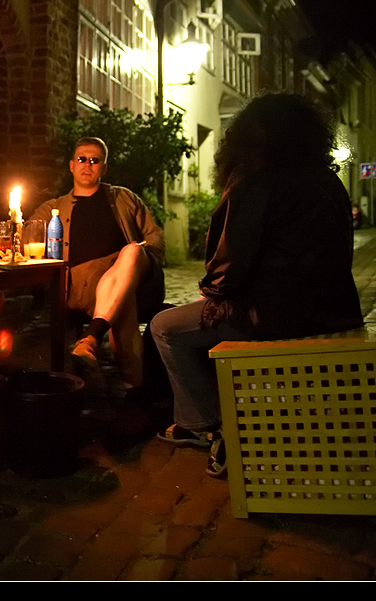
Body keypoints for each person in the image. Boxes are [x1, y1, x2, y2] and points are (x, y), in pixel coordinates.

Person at [149, 93, 364, 477]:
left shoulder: (258, 174)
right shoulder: (327, 180)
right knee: (187, 320)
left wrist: (212, 294)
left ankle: (209, 425)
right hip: (332, 310)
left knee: (165, 327)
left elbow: (233, 258)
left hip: (276, 314)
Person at [32, 137, 165, 388]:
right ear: (71, 165)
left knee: (132, 253)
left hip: (131, 274)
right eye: (82, 159)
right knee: (124, 303)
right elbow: (25, 237)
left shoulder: (123, 198)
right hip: (83, 287)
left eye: (95, 160)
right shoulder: (54, 209)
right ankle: (134, 394)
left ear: (104, 168)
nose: (87, 165)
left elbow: (155, 240)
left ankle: (91, 340)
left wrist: (128, 257)